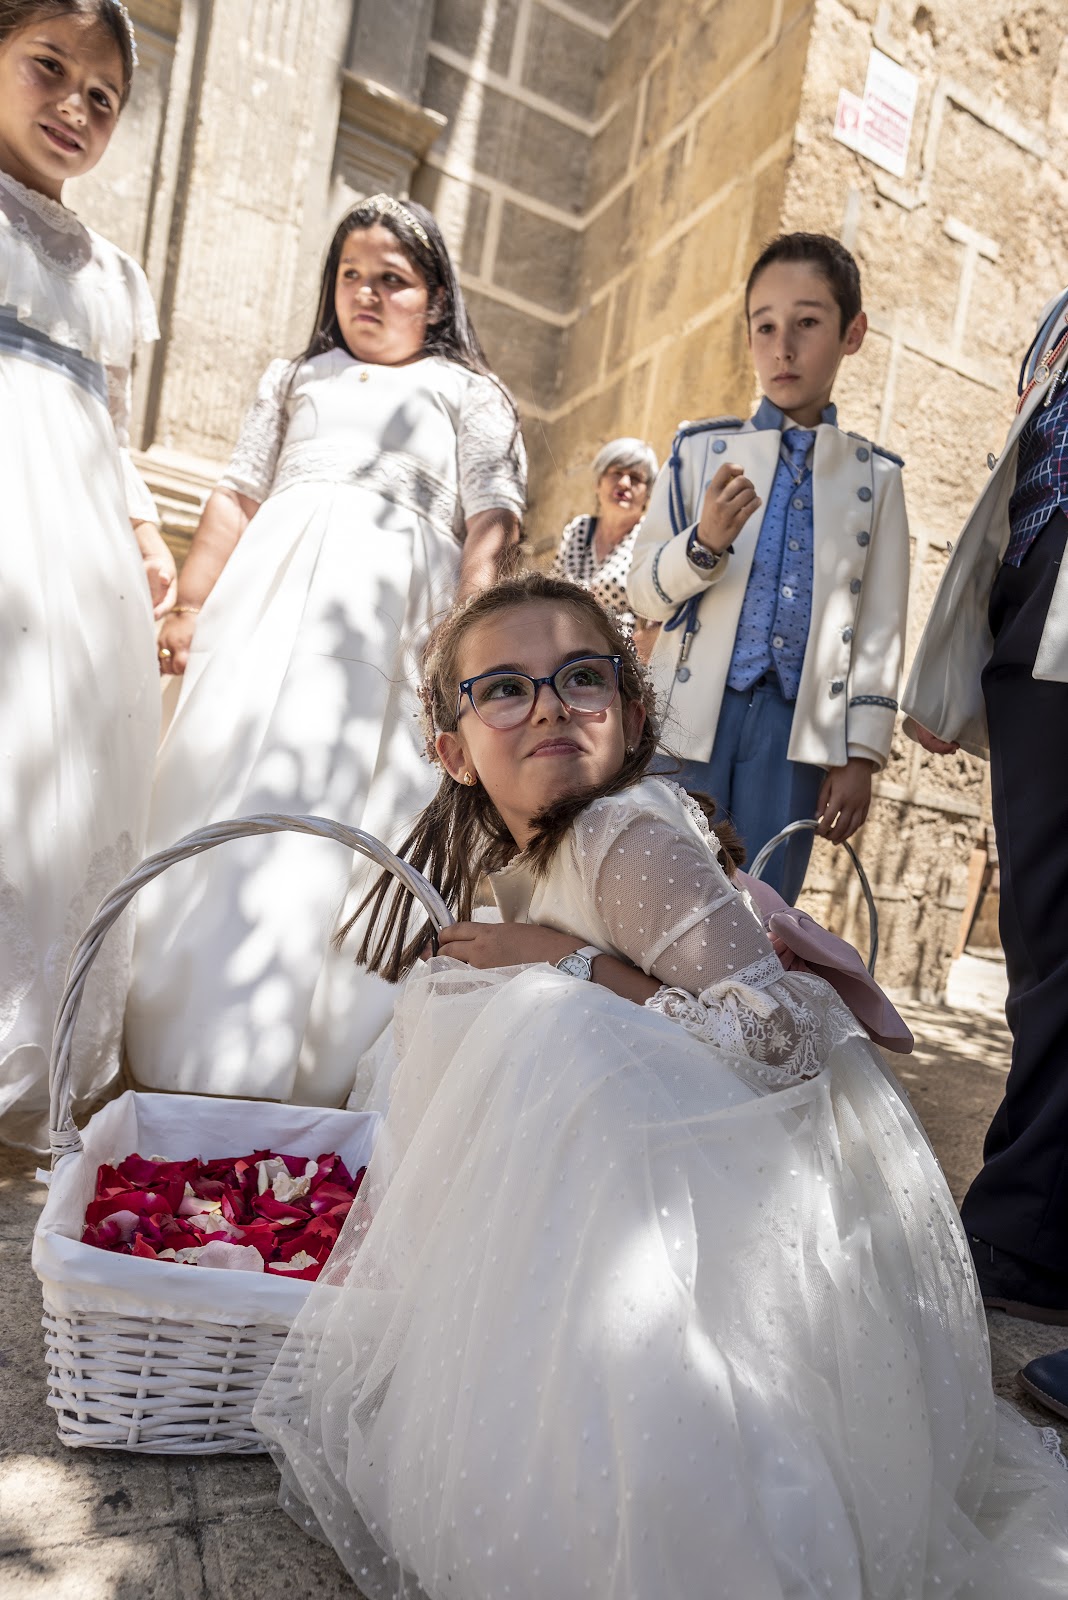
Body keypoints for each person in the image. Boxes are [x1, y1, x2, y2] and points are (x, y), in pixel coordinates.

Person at [253, 571, 1068, 1600]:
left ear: (632, 714)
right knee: (488, 1005)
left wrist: (568, 962)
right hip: (680, 1147)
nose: (546, 706)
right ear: (453, 752)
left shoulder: (623, 836)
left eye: (580, 677)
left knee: (554, 1026)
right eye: (503, 688)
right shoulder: (536, 842)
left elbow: (780, 1041)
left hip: (754, 1182)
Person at [123, 195, 526, 1108]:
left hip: (386, 632)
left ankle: (322, 1064)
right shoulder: (297, 378)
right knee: (240, 783)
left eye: (393, 280)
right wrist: (193, 603)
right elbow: (236, 495)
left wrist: (467, 633)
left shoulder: (466, 392)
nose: (367, 294)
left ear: (436, 297)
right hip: (266, 619)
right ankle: (192, 1040)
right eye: (351, 276)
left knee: (357, 804)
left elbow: (491, 518)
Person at [0, 0, 173, 1153]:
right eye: (48, 67)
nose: (75, 106)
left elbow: (111, 425)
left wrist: (146, 529)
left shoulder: (111, 272)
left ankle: (28, 1046)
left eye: (102, 97)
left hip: (79, 542)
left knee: (65, 776)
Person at [627, 233, 910, 903]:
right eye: (765, 326)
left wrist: (862, 754)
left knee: (763, 908)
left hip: (796, 734)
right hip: (689, 715)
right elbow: (643, 591)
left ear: (852, 333)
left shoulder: (877, 480)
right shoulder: (700, 451)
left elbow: (880, 627)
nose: (783, 347)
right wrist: (704, 542)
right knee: (654, 891)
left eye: (807, 323)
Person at [903, 286, 1068, 1334]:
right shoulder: (1058, 315)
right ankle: (1031, 1222)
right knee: (1042, 938)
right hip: (1037, 621)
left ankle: (1026, 1228)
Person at [551, 436, 659, 656]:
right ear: (598, 483)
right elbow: (550, 591)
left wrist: (643, 646)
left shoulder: (650, 539)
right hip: (566, 654)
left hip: (620, 659)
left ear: (647, 494)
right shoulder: (578, 529)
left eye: (636, 478)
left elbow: (665, 614)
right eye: (616, 473)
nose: (624, 483)